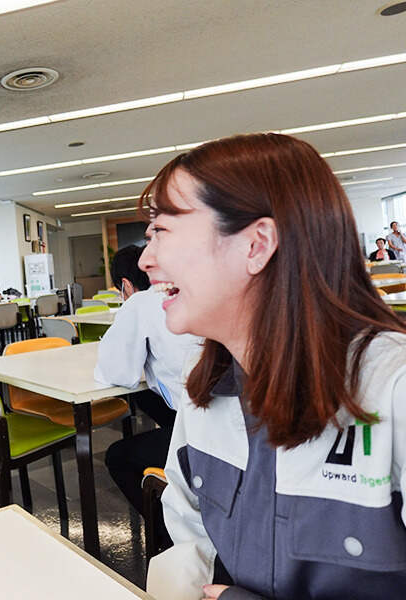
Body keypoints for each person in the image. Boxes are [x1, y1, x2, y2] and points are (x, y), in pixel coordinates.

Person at [139, 133, 406, 600]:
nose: (146, 259)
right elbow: (191, 545)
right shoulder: (207, 394)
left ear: (257, 245)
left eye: (161, 230)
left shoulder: (393, 389)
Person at [95, 246, 201, 517]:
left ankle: (165, 537)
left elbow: (118, 374)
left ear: (125, 285)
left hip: (206, 432)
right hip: (238, 420)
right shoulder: (191, 290)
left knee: (118, 456)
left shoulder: (139, 302)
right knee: (144, 396)